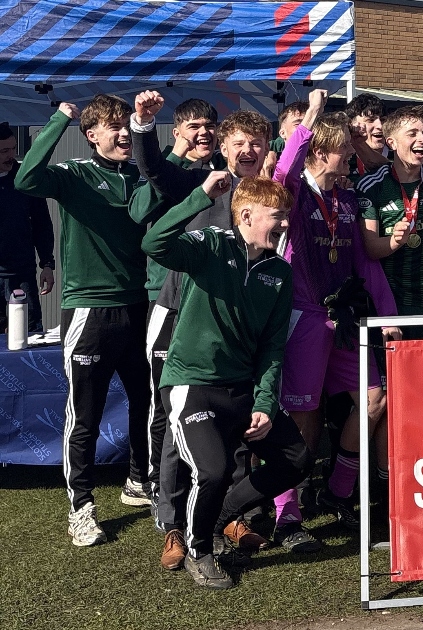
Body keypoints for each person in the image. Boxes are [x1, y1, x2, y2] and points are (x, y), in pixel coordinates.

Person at [143, 171, 311, 589]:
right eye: (278, 215)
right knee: (213, 472)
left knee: (297, 459)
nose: (286, 223)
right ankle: (199, 550)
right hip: (191, 384)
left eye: (287, 215)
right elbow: (153, 243)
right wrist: (199, 197)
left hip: (242, 389)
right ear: (248, 215)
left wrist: (264, 403)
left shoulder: (279, 272)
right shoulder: (210, 245)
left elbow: (273, 347)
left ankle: (217, 520)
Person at [129, 91, 273, 553]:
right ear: (224, 148)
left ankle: (230, 514)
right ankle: (171, 519)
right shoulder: (201, 180)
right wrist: (144, 125)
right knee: (176, 417)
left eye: (257, 143)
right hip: (178, 313)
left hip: (235, 324)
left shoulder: (270, 195)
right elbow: (153, 170)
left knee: (234, 413)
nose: (247, 152)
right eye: (239, 144)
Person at [15, 95, 153, 546]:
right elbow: (26, 176)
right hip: (90, 308)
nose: (123, 134)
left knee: (146, 400)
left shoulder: (138, 174)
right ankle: (81, 507)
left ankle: (138, 481)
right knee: (85, 413)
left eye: (125, 126)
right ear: (92, 135)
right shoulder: (74, 173)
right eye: (113, 127)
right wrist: (60, 119)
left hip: (139, 304)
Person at [273, 90, 401, 539]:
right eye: (346, 148)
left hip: (344, 319)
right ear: (321, 150)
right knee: (304, 419)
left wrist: (388, 317)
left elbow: (366, 264)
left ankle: (337, 491)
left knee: (375, 398)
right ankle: (286, 509)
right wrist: (308, 116)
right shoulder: (293, 196)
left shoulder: (346, 201)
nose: (353, 154)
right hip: (304, 319)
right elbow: (284, 169)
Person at [357, 106, 423, 340]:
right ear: (391, 142)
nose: (422, 139)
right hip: (386, 305)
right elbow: (371, 249)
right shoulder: (370, 186)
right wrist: (395, 241)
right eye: (412, 133)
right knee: (390, 375)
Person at [0, 122, 55, 333]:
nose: (11, 155)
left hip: (22, 274)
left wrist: (47, 264)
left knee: (28, 334)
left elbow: (42, 222)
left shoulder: (24, 177)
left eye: (13, 149)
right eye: (4, 151)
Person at [166, 98, 224, 170]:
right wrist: (175, 157)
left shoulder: (228, 162)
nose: (204, 131)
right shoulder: (161, 164)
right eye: (194, 127)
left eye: (209, 126)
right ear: (177, 135)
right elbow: (155, 180)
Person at [346, 94, 387, 178]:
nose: (380, 126)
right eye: (370, 120)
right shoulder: (344, 157)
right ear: (353, 125)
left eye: (383, 120)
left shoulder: (398, 152)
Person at [263, 101, 306, 177]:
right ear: (282, 133)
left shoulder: (323, 155)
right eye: (298, 124)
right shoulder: (268, 154)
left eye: (311, 124)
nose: (306, 129)